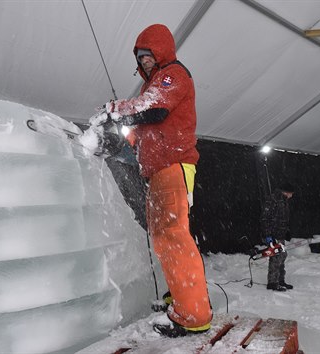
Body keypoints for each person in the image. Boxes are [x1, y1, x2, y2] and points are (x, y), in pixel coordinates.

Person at [91, 23, 212, 337]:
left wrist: (114, 110)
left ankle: (194, 313)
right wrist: (116, 144)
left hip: (174, 166)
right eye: (140, 57)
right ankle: (181, 298)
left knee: (174, 238)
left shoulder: (173, 75)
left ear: (162, 51)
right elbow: (143, 136)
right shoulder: (150, 89)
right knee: (163, 242)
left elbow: (155, 109)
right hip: (157, 172)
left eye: (148, 54)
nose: (144, 61)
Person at [261, 183, 295, 292]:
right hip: (273, 234)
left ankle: (280, 280)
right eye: (291, 194)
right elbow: (265, 218)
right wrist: (268, 235)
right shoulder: (273, 200)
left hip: (280, 234)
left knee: (281, 257)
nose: (292, 196)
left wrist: (287, 231)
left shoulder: (284, 201)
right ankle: (272, 282)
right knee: (277, 257)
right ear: (287, 192)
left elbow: (283, 218)